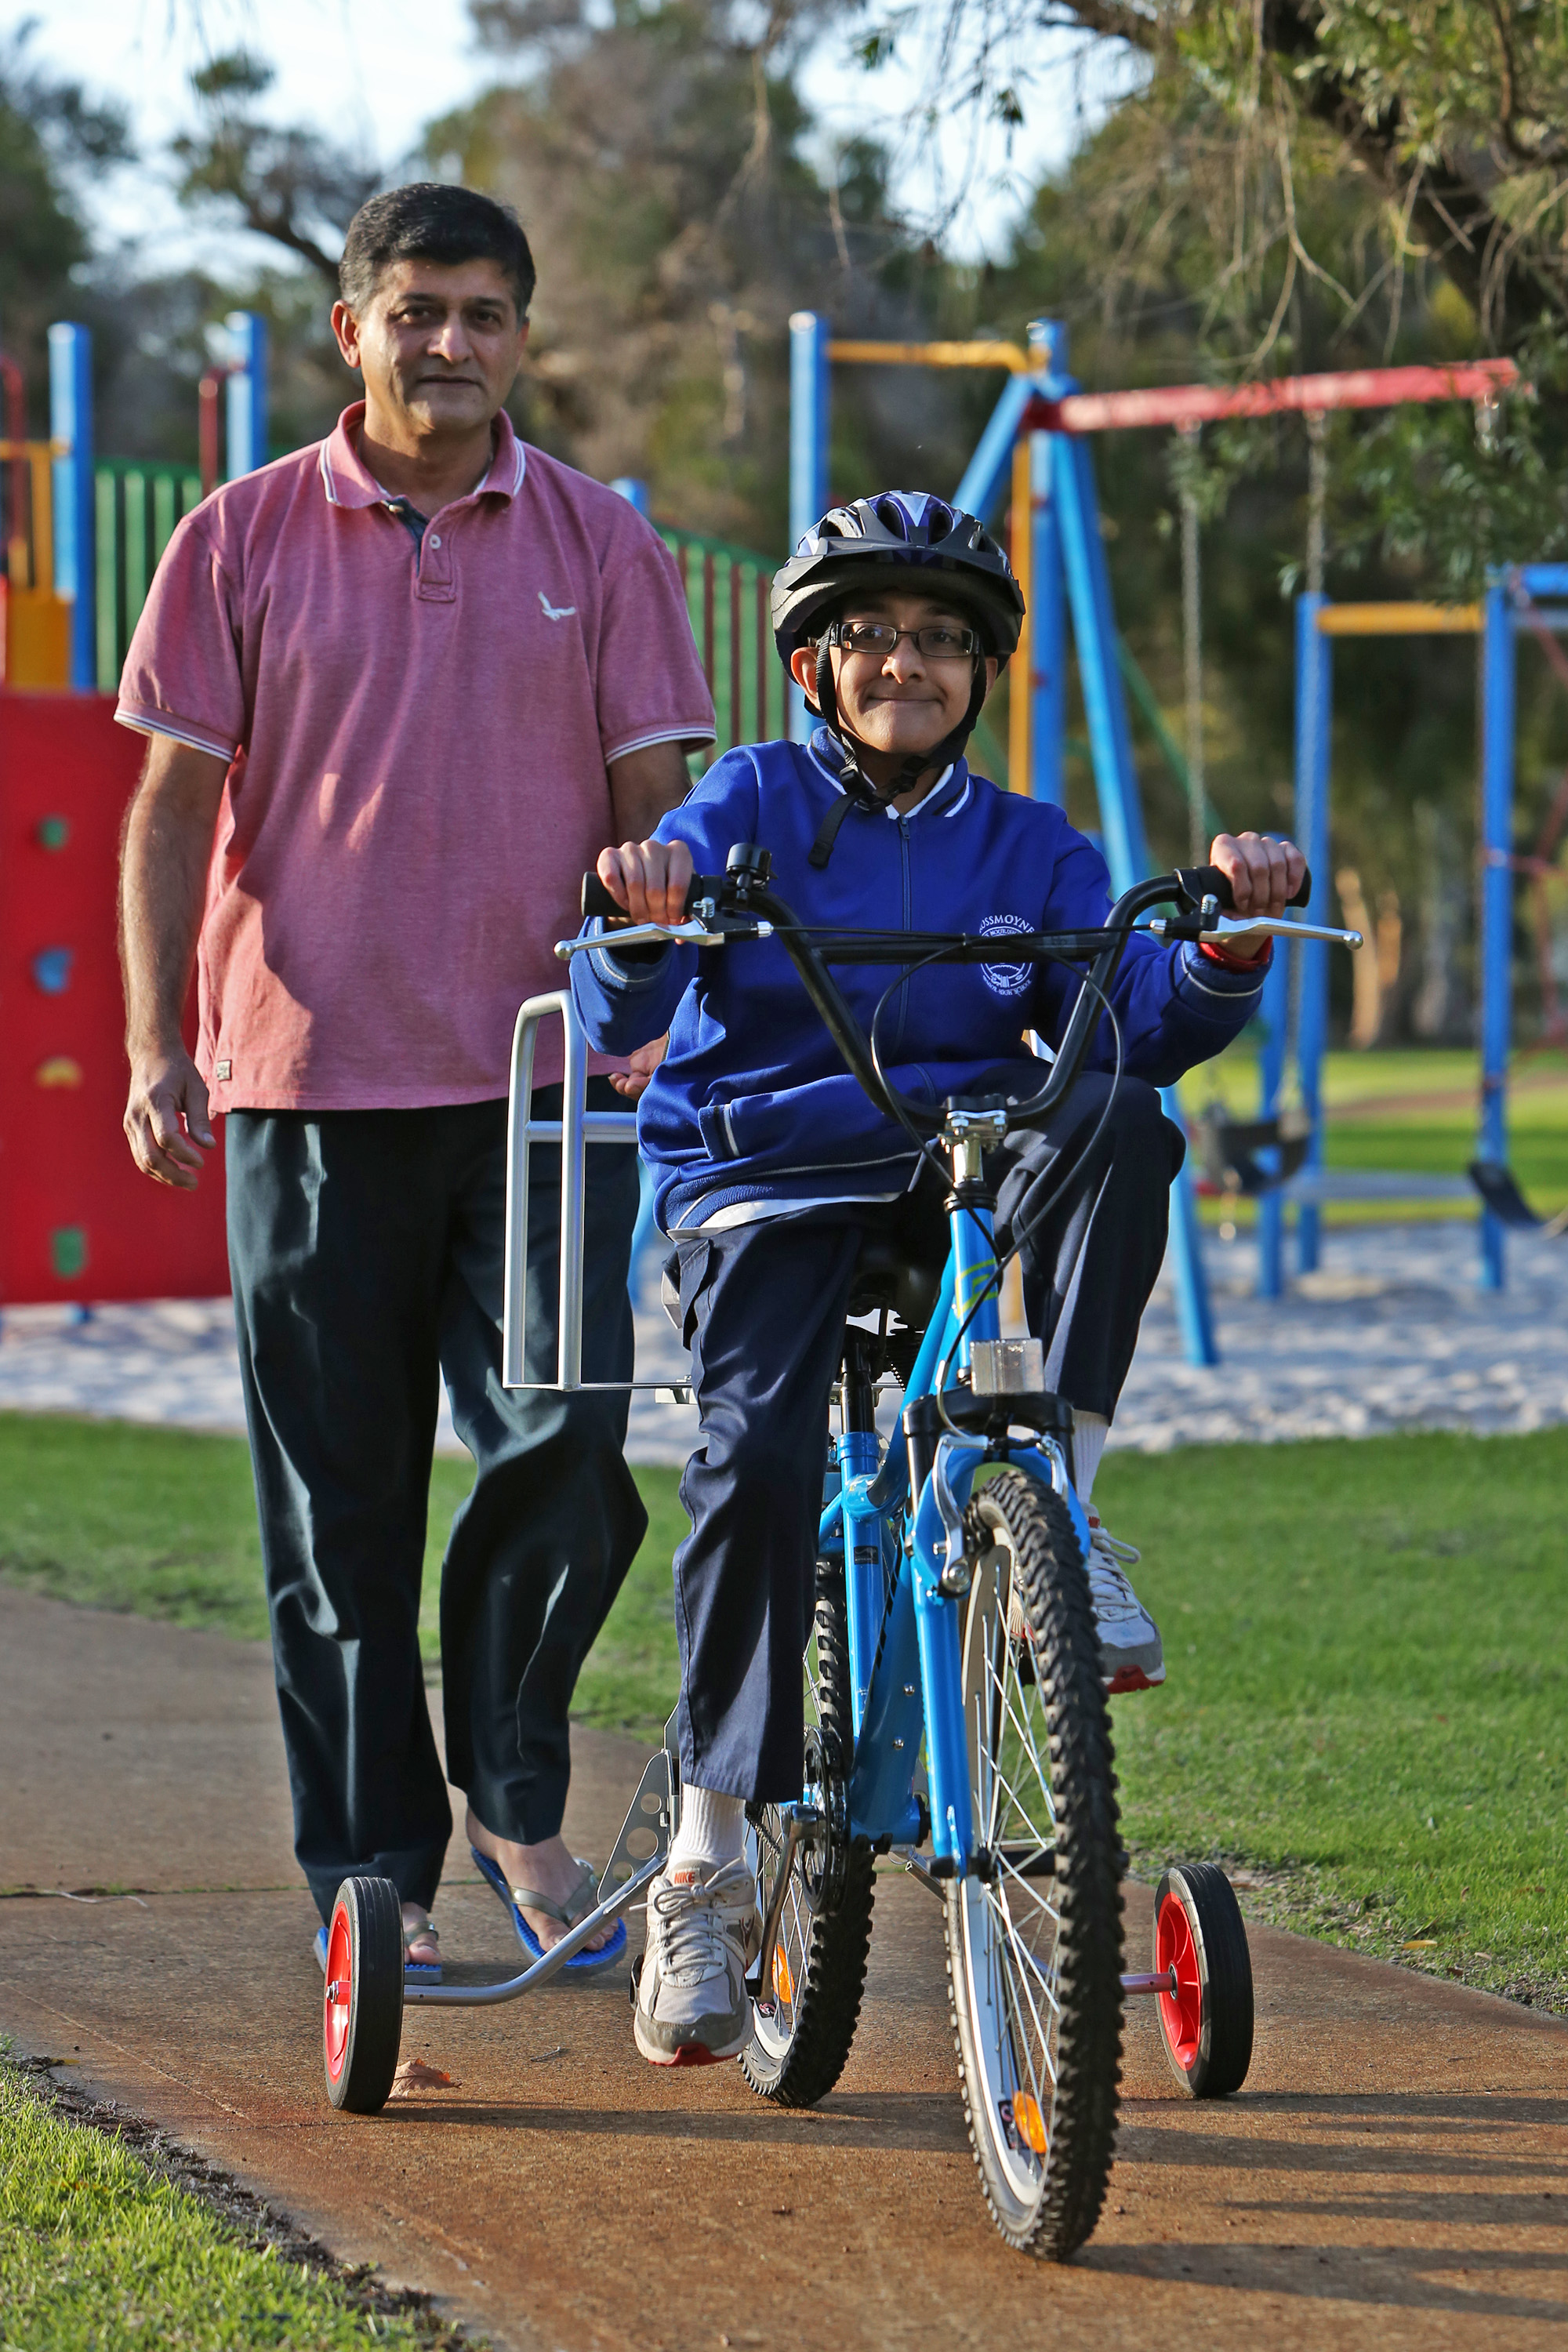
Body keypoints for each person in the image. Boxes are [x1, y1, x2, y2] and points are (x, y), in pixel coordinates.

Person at [570, 490, 1305, 2065]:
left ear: (982, 670)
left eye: (940, 640)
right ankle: (701, 1862)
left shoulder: (1034, 847)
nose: (905, 660)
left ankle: (1066, 1504)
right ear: (816, 665)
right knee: (755, 1452)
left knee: (1118, 1119)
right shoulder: (749, 801)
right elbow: (629, 955)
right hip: (766, 1194)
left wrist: (1223, 946)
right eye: (872, 636)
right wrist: (637, 900)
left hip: (946, 1186)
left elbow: (1129, 1019)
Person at [116, 183, 714, 1980]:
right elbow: (167, 816)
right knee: (338, 1509)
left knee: (571, 1447)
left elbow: (660, 824)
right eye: (417, 309)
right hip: (302, 1092)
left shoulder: (604, 543)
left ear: (522, 338)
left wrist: (670, 1028)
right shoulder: (235, 538)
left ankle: (511, 1797)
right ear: (351, 330)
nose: (448, 340)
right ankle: (373, 1888)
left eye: (482, 312)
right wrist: (159, 1046)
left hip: (551, 1096)